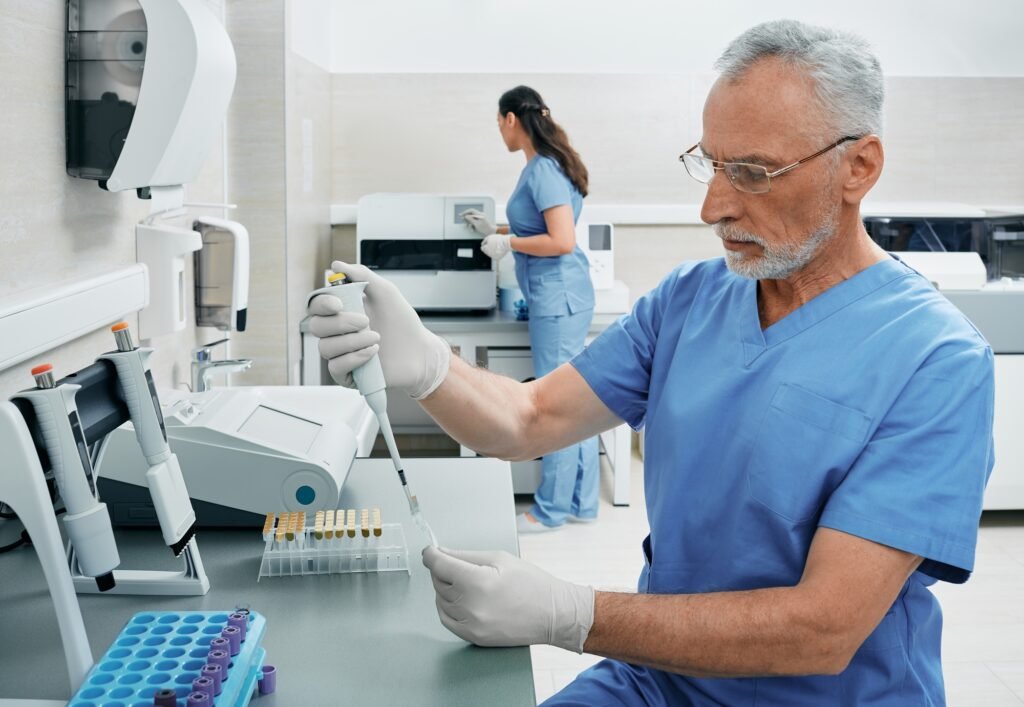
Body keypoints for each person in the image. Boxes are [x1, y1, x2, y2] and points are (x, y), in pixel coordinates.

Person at [307, 20, 995, 706]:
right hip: (658, 677)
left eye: (752, 172)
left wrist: (572, 614)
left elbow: (822, 629)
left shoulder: (935, 360)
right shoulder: (689, 300)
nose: (712, 207)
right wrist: (428, 364)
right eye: (710, 163)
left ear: (859, 167)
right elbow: (531, 417)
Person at [460, 85, 599, 533]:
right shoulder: (545, 165)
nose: (499, 132)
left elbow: (562, 241)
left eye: (498, 123)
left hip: (558, 300)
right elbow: (541, 225)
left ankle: (550, 511)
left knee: (555, 406)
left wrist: (509, 244)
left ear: (511, 119)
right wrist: (497, 229)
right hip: (559, 297)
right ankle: (581, 504)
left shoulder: (543, 170)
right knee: (577, 402)